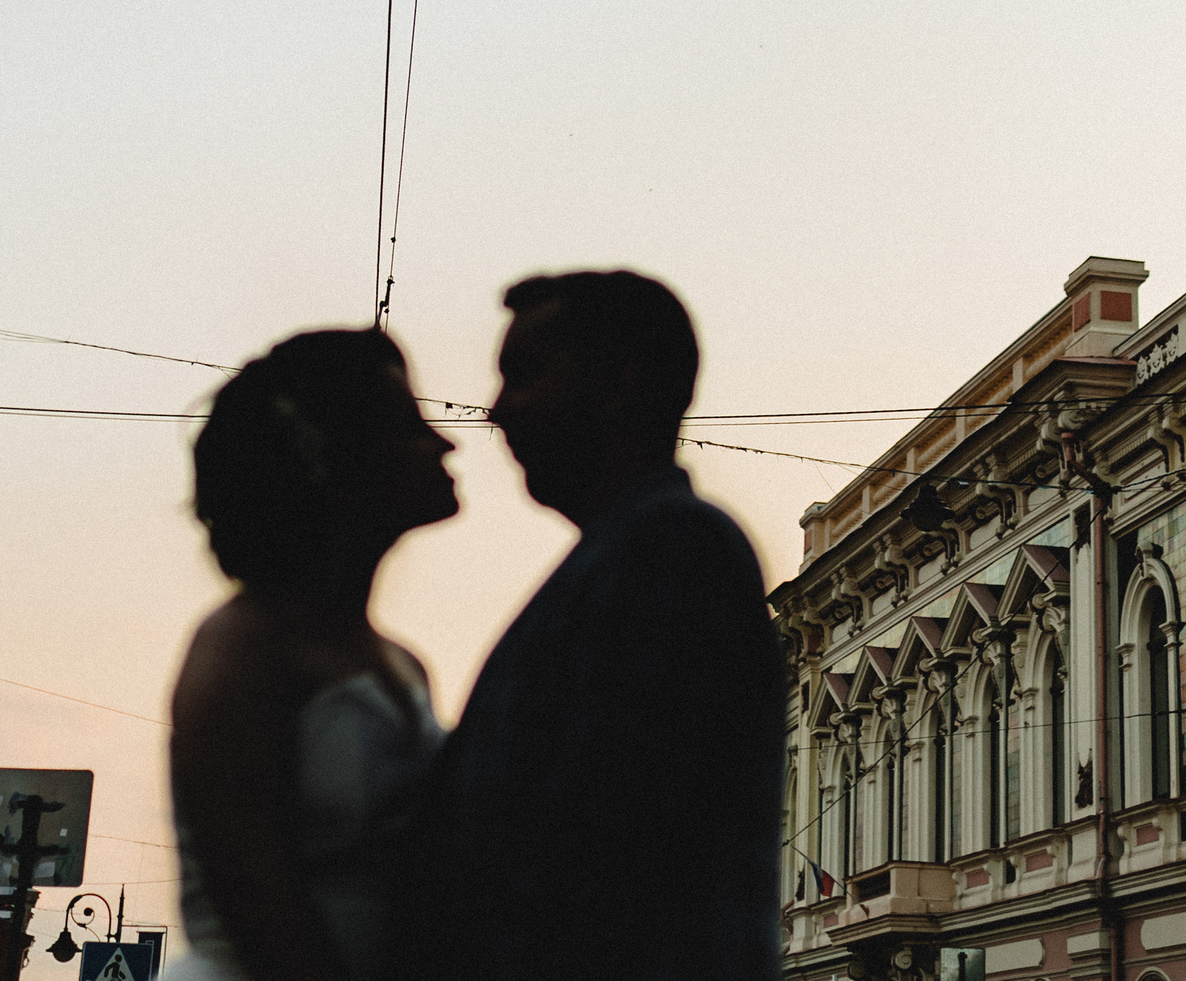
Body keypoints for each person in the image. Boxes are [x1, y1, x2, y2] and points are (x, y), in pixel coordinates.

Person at [399, 271, 784, 981]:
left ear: (615, 384)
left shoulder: (674, 552)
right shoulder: (632, 552)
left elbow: (597, 856)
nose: (494, 410)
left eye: (524, 374)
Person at [165, 328, 460, 981]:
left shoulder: (404, 664)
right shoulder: (242, 645)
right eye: (411, 425)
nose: (447, 441)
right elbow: (256, 901)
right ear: (340, 458)